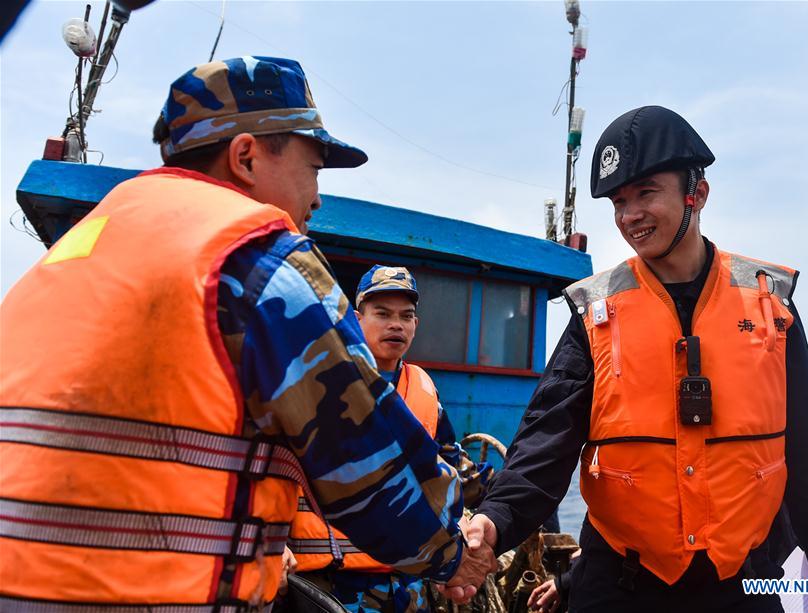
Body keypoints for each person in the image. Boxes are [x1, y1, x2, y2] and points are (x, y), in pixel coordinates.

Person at [0, 56, 491, 609]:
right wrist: (455, 552)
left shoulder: (75, 250)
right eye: (313, 169)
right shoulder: (259, 261)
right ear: (246, 156)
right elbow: (363, 464)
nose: (316, 198)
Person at [466, 105, 808, 612]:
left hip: (744, 582)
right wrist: (494, 519)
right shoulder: (595, 313)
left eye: (646, 193)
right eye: (618, 202)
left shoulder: (769, 303)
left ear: (698, 194)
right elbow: (546, 440)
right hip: (621, 584)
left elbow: (804, 439)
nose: (630, 216)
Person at [288, 264, 461, 612]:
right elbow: (274, 471)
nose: (396, 324)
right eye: (382, 314)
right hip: (329, 585)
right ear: (357, 319)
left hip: (408, 587)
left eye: (406, 316)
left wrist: (467, 536)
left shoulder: (426, 394)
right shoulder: (316, 384)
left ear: (416, 324)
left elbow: (451, 472)